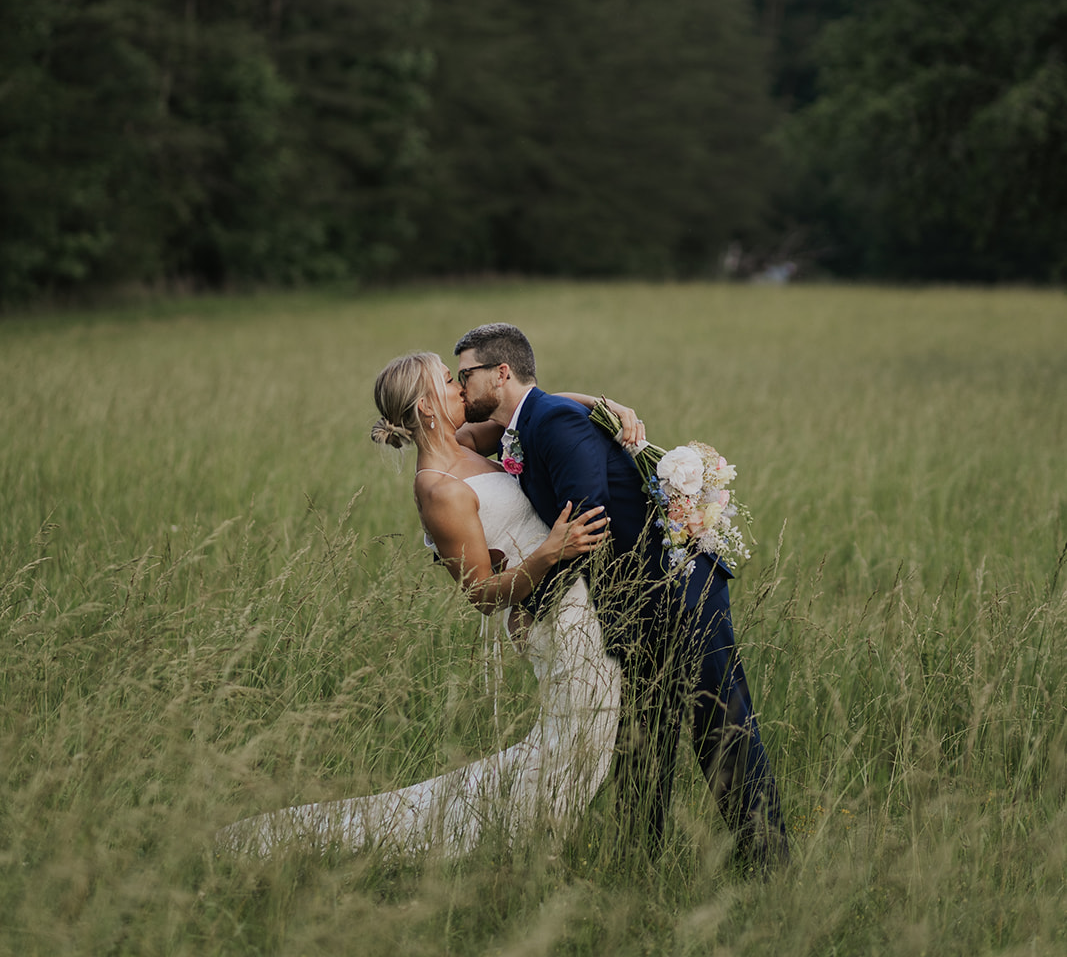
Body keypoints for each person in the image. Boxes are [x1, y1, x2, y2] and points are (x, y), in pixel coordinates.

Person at [217, 351, 627, 858]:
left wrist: (605, 406)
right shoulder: (435, 488)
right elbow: (478, 594)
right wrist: (549, 554)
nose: (460, 387)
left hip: (575, 604)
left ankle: (528, 838)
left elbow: (532, 409)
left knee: (584, 743)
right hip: (548, 617)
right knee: (578, 746)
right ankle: (502, 845)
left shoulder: (467, 442)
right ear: (427, 406)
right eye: (447, 382)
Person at [453, 322, 789, 872]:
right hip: (630, 601)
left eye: (465, 376)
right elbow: (463, 437)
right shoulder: (523, 425)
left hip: (677, 589)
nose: (462, 389)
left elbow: (589, 519)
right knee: (641, 736)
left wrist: (533, 602)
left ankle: (769, 863)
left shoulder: (552, 420)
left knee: (720, 726)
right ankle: (637, 863)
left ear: (501, 372)